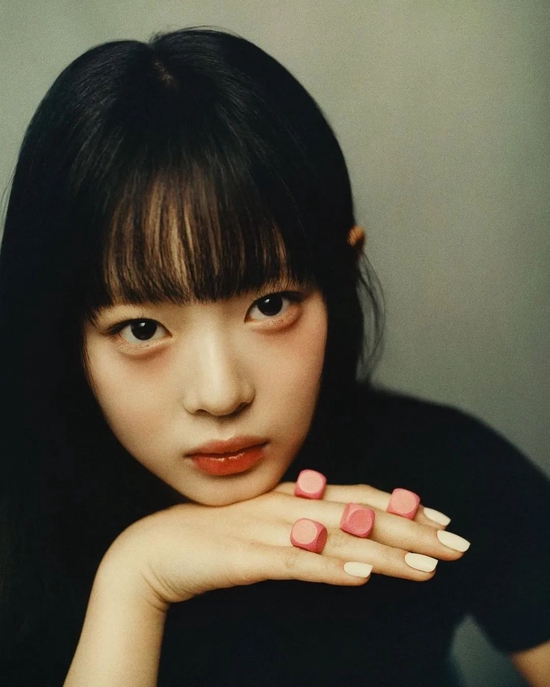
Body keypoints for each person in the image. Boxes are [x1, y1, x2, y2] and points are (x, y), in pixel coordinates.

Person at [0, 27, 548, 687]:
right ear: (62, 329)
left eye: (269, 305)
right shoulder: (18, 526)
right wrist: (135, 580)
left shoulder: (441, 472)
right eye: (142, 328)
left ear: (340, 275)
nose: (220, 394)